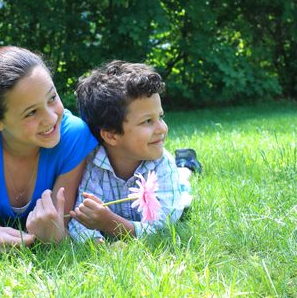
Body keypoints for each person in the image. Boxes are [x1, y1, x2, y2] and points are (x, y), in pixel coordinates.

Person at [0, 46, 98, 251]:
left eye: (52, 98)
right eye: (31, 112)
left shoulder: (73, 136)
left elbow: (59, 226)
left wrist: (55, 236)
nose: (51, 118)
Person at [68, 60, 201, 243]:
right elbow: (80, 219)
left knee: (182, 178)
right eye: (147, 121)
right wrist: (98, 244)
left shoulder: (161, 163)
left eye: (160, 117)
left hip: (172, 183)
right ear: (111, 135)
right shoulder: (92, 165)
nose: (162, 128)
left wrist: (110, 223)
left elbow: (163, 226)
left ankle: (187, 163)